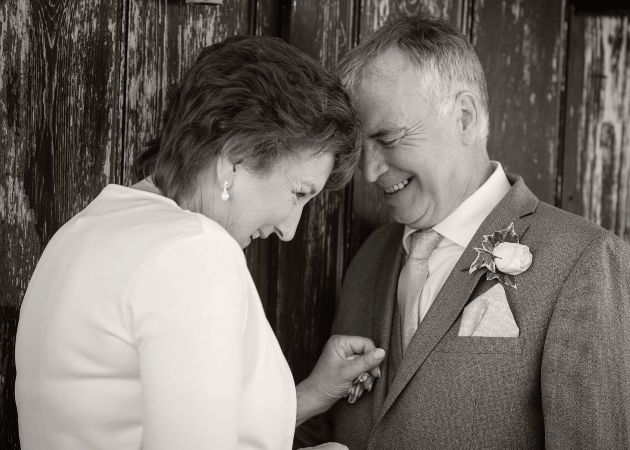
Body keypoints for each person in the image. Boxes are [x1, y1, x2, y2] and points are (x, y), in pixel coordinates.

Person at [15, 35, 384, 450]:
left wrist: (312, 395)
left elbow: (138, 419)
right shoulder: (195, 251)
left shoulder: (83, 230)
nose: (290, 230)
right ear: (234, 158)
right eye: (298, 192)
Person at [295, 14, 630, 449]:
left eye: (390, 138)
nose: (371, 171)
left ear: (466, 117)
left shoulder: (584, 260)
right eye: (362, 149)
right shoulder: (369, 257)